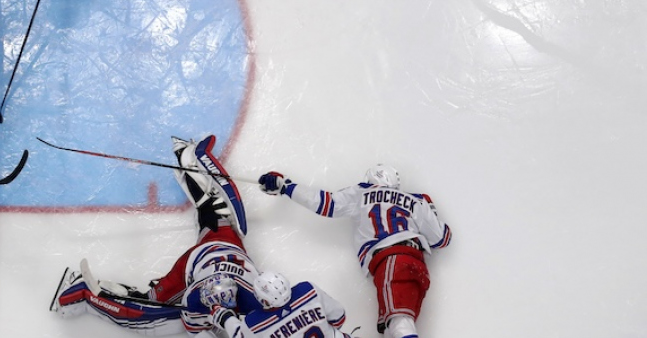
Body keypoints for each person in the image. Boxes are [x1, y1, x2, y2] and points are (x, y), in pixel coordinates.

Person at [52, 134, 262, 337]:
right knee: (149, 315)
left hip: (224, 245)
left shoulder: (253, 300)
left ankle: (187, 157)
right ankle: (84, 294)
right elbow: (158, 319)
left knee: (216, 209)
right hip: (197, 262)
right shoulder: (200, 303)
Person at [258, 165, 452, 338]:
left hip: (391, 261)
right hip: (416, 263)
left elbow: (326, 203)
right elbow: (442, 239)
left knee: (399, 324)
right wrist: (430, 210)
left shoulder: (362, 193)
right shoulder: (416, 201)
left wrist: (286, 187)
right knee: (390, 327)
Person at [209, 270, 359, 338]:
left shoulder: (254, 323)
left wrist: (224, 316)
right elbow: (339, 317)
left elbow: (238, 335)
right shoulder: (308, 290)